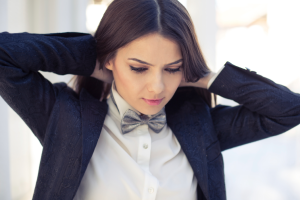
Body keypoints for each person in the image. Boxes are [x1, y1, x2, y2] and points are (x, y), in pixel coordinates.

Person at [0, 0, 300, 200]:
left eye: (172, 69)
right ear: (110, 60)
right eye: (138, 67)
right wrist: (92, 58)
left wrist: (203, 75)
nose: (157, 87)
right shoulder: (64, 118)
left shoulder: (200, 126)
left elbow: (289, 109)